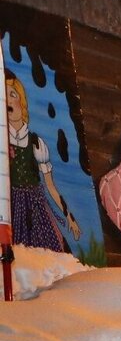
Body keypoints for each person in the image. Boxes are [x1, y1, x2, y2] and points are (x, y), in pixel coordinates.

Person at [5, 71, 81, 253]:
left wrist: (68, 216)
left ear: (21, 101)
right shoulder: (3, 142)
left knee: (43, 252)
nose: (8, 101)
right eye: (4, 95)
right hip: (10, 206)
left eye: (12, 94)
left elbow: (50, 186)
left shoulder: (36, 143)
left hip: (34, 207)